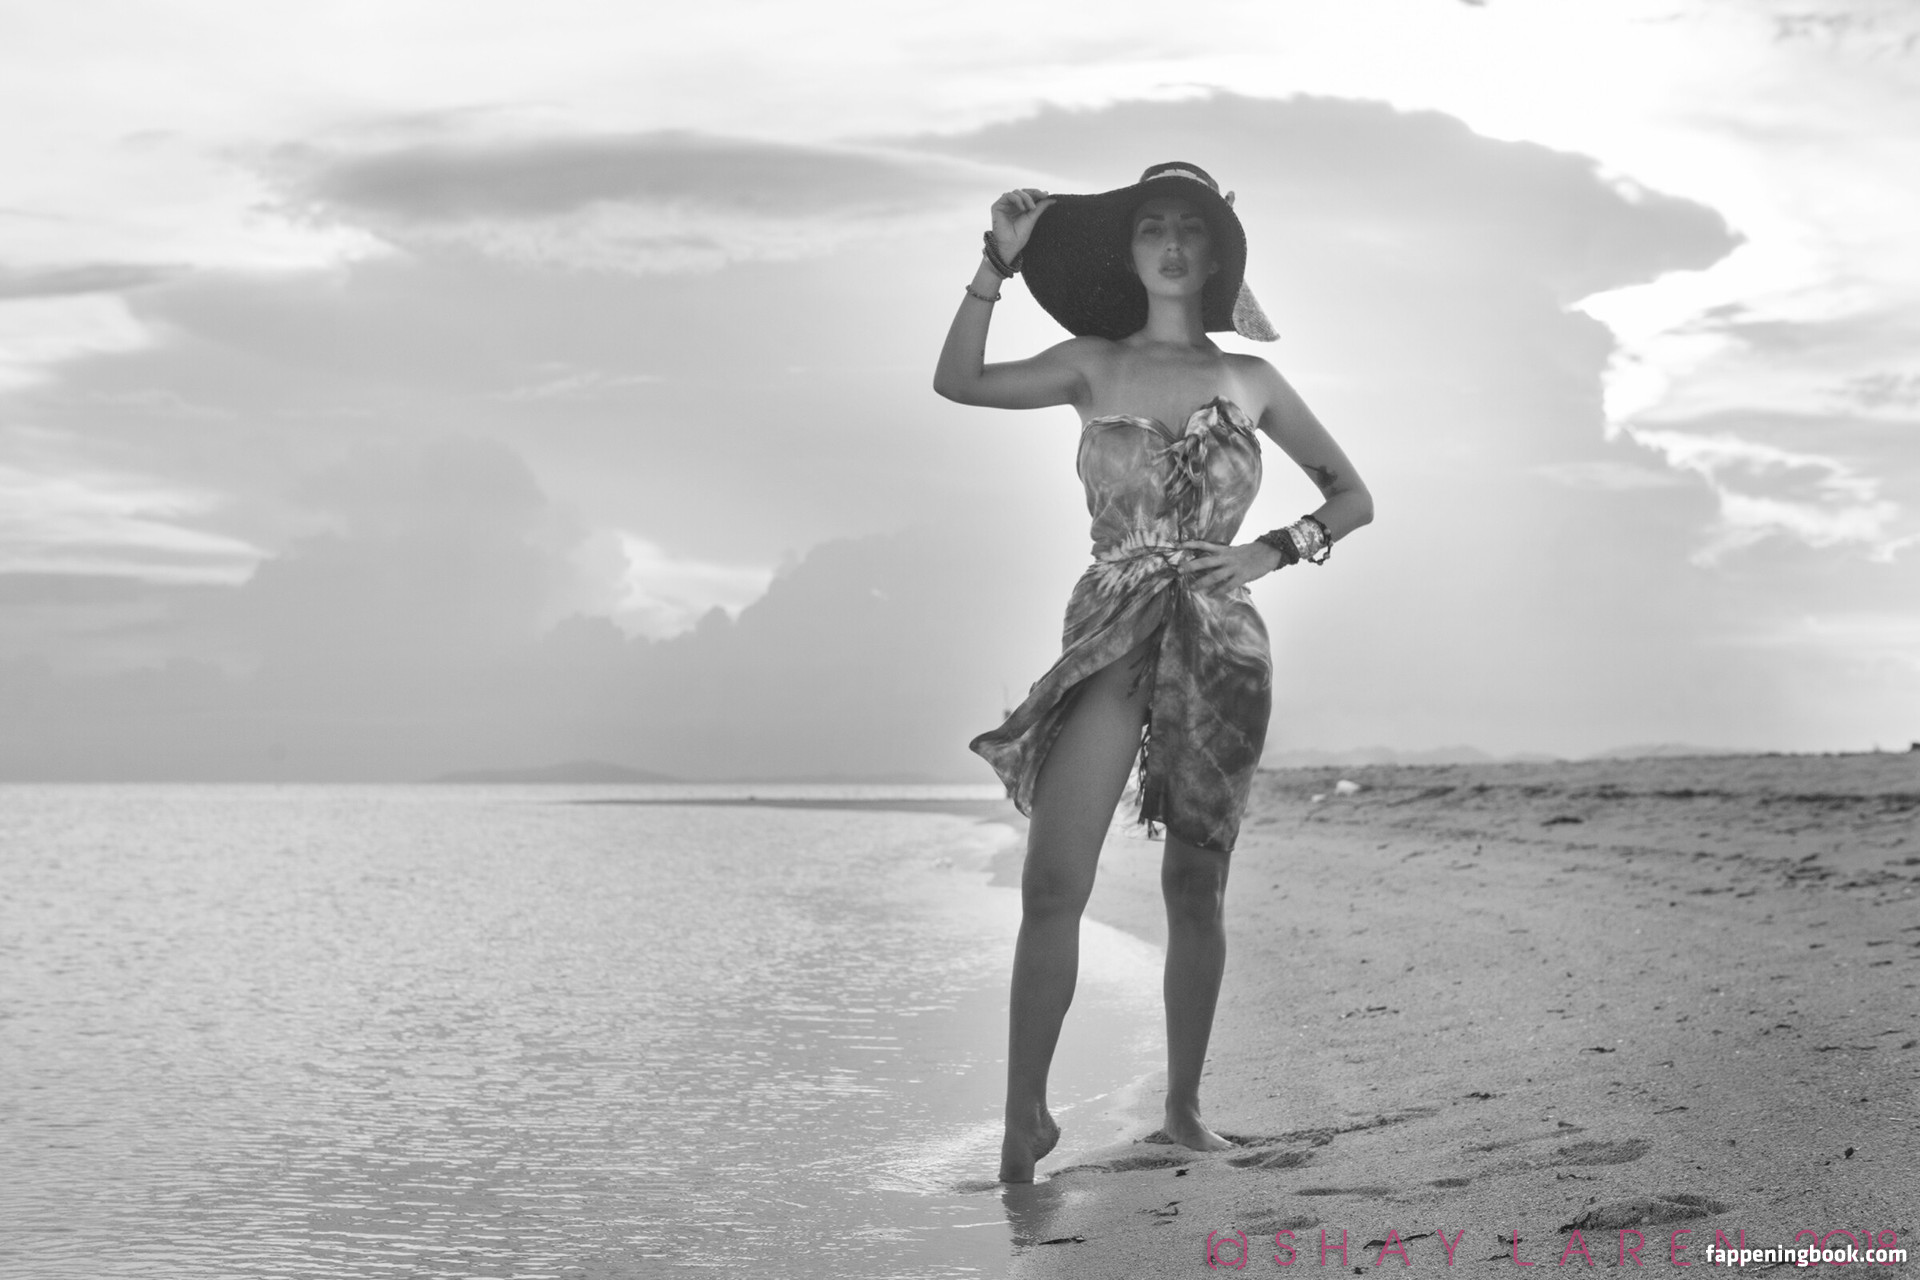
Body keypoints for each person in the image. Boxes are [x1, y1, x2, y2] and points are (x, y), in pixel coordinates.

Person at [932, 162, 1374, 1184]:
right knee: (1054, 880)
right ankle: (1023, 1118)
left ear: (1215, 254)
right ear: (1127, 251)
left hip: (1221, 638)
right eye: (1151, 228)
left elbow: (1352, 496)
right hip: (1112, 628)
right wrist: (995, 263)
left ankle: (1182, 1108)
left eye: (1191, 229)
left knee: (1194, 884)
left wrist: (1270, 551)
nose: (1171, 244)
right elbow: (959, 380)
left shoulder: (1254, 382)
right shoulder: (1090, 363)